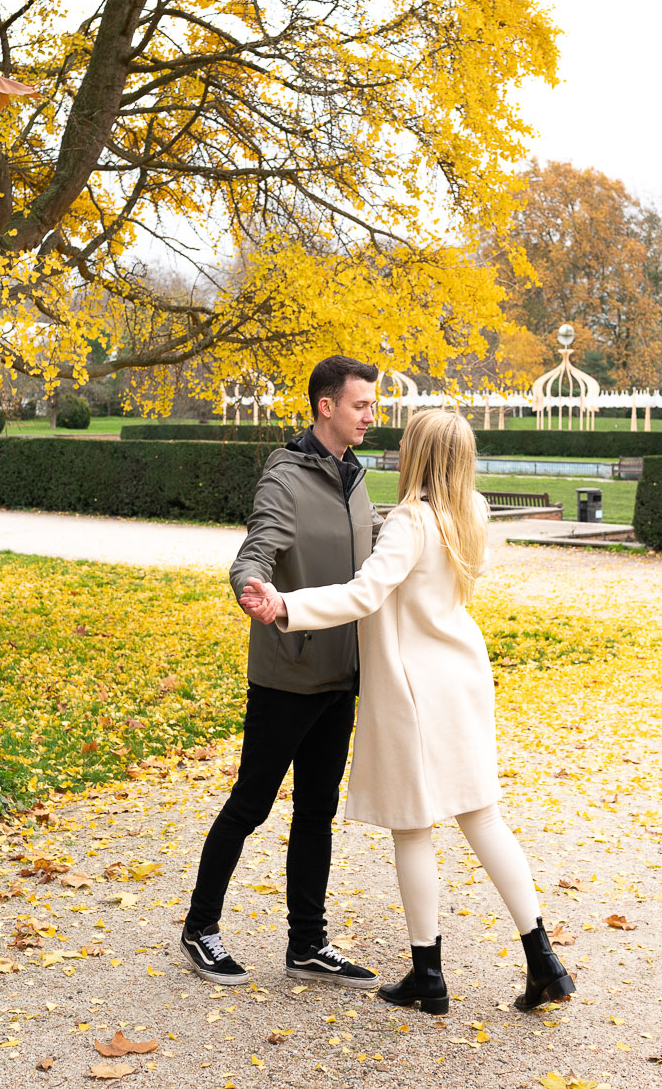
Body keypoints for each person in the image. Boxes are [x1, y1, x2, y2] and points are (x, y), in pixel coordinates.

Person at [240, 407, 574, 1015]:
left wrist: (284, 606)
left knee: (414, 827)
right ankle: (543, 959)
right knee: (483, 818)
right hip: (464, 680)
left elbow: (361, 594)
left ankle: (428, 973)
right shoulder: (472, 512)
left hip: (415, 691)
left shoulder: (410, 522)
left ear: (418, 454)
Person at [179, 355, 383, 990]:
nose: (371, 416)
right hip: (287, 676)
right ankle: (199, 928)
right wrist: (251, 585)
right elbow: (256, 548)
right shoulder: (286, 477)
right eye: (361, 406)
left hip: (340, 676)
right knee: (251, 804)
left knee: (317, 811)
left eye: (372, 406)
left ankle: (307, 942)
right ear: (326, 407)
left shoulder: (356, 478)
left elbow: (371, 551)